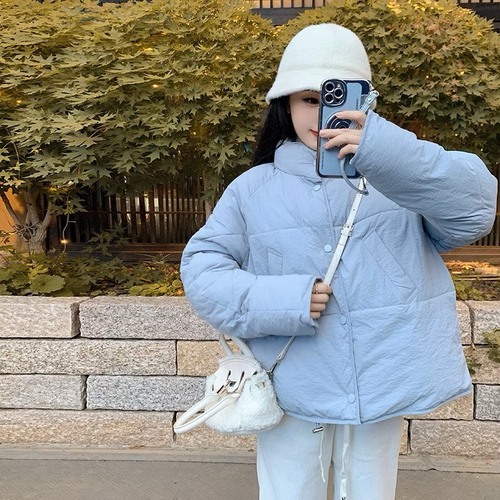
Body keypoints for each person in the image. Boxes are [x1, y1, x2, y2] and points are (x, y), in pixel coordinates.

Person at [180, 24, 497, 500]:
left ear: (365, 102)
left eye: (336, 98)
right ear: (285, 105)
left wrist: (386, 152)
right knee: (289, 491)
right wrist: (286, 299)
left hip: (380, 377)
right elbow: (202, 269)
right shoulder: (251, 189)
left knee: (370, 491)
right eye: (308, 99)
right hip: (292, 380)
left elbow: (474, 209)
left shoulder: (400, 181)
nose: (320, 113)